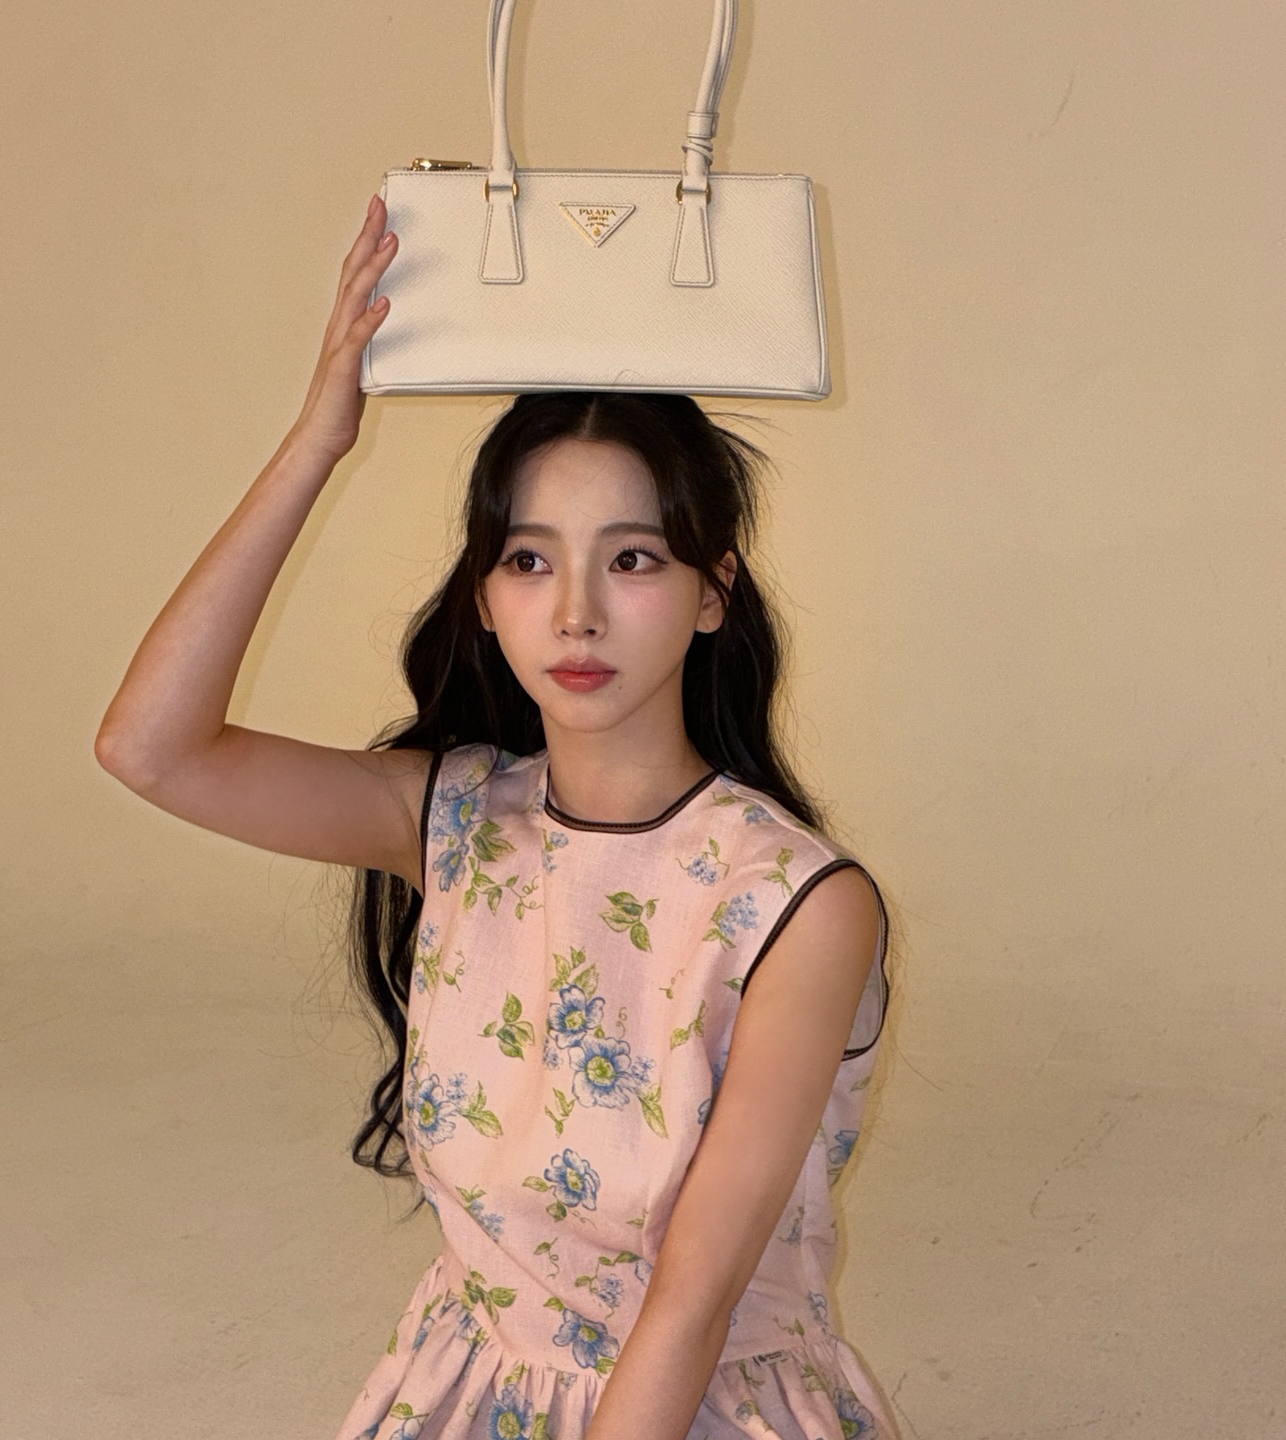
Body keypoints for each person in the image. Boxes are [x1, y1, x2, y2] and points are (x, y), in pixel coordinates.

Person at [95, 192, 899, 1440]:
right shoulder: (455, 820)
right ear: (482, 595)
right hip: (468, 1395)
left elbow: (691, 1304)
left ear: (713, 593)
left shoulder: (798, 906)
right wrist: (318, 443)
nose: (575, 611)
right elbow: (149, 749)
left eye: (632, 559)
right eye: (529, 560)